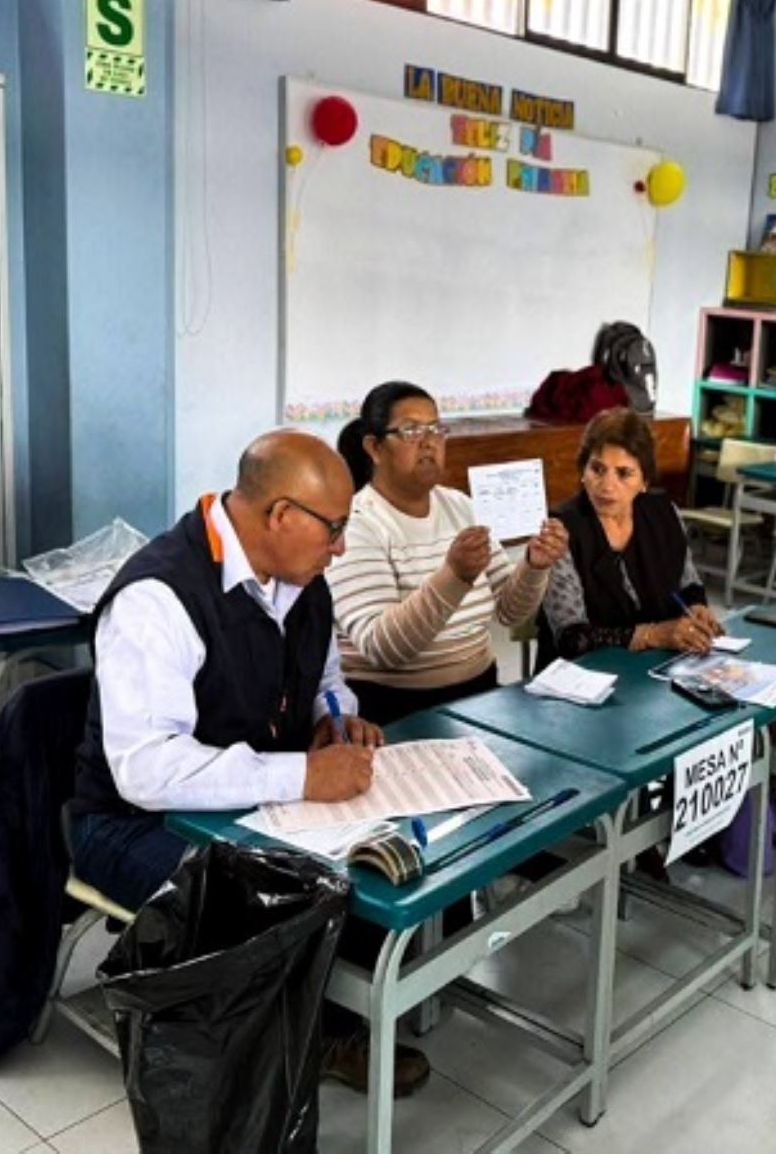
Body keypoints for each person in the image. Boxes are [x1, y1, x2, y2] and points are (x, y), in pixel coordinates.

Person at [67, 430, 430, 1097]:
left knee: (371, 861)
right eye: (335, 528)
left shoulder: (304, 579)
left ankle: (323, 1022)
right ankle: (283, 1053)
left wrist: (334, 717)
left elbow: (326, 676)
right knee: (272, 899)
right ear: (281, 515)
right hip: (133, 822)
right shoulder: (158, 598)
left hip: (253, 800)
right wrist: (301, 775)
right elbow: (145, 771)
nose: (341, 545)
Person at [332, 382, 567, 724]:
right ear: (374, 448)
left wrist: (534, 566)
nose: (428, 442)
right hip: (392, 709)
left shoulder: (460, 507)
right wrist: (454, 577)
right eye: (411, 430)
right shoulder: (358, 523)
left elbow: (510, 612)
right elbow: (381, 648)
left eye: (436, 429)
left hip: (480, 695)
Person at [538, 407, 721, 666]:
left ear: (644, 480)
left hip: (654, 673)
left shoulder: (664, 514)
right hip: (580, 680)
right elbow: (572, 638)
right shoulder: (560, 530)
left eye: (624, 473)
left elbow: (687, 584)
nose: (607, 486)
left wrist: (696, 608)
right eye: (597, 469)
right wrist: (653, 635)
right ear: (583, 471)